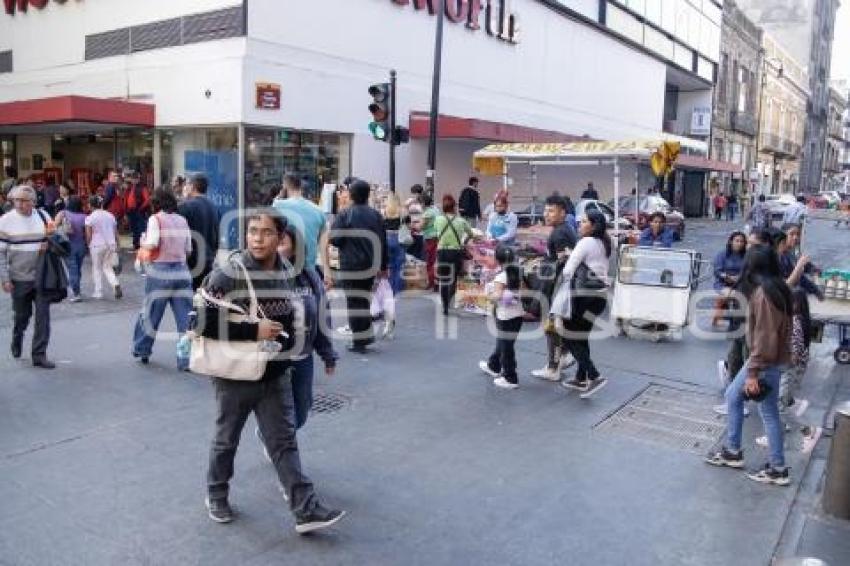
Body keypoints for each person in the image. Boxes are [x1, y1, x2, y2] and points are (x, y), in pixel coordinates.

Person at [198, 209, 345, 532]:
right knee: (226, 441)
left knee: (284, 442)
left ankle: (304, 509)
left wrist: (297, 344)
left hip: (276, 373)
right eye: (252, 232)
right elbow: (200, 322)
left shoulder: (287, 273)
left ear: (281, 238)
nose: (257, 238)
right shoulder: (230, 273)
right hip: (235, 376)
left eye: (265, 232)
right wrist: (254, 332)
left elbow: (293, 318)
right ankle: (216, 494)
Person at [706, 244, 793, 486]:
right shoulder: (780, 288)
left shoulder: (763, 294)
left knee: (743, 400)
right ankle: (773, 465)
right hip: (773, 360)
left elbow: (763, 337)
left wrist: (753, 373)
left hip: (762, 361)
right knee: (756, 406)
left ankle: (743, 455)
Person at [131, 189, 193, 368]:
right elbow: (189, 249)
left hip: (160, 271)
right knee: (185, 318)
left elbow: (153, 243)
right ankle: (185, 359)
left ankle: (142, 349)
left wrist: (142, 244)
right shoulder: (182, 220)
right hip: (182, 271)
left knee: (150, 313)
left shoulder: (155, 219)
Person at [556, 210, 611, 398]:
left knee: (569, 335)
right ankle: (581, 378)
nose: (579, 224)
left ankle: (594, 375)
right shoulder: (604, 242)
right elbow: (593, 262)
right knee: (581, 336)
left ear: (593, 225)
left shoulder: (586, 242)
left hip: (584, 297)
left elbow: (568, 271)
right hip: (599, 297)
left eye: (584, 221)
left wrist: (567, 259)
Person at [0, 185, 55, 368]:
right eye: (17, 200)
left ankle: (39, 355)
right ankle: (18, 335)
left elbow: (57, 238)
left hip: (42, 277)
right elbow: (0, 253)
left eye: (24, 200)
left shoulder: (44, 216)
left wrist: (50, 243)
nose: (20, 204)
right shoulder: (5, 221)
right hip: (19, 278)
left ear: (33, 201)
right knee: (22, 316)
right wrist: (5, 278)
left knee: (43, 317)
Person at [330, 179, 387, 353]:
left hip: (351, 265)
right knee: (363, 300)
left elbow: (335, 239)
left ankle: (360, 341)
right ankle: (364, 336)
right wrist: (384, 265)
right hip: (370, 264)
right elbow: (382, 242)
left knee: (354, 302)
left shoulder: (345, 214)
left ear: (352, 195)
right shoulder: (376, 215)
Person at [531, 194, 577, 381]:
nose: (547, 214)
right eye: (546, 210)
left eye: (551, 210)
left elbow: (563, 265)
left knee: (551, 327)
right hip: (562, 286)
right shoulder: (564, 229)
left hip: (558, 287)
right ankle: (563, 357)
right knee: (556, 327)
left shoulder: (560, 233)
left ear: (563, 212)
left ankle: (553, 368)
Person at [478, 245, 525, 389]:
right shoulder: (518, 272)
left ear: (498, 260)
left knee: (506, 347)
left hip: (505, 316)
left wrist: (487, 296)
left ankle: (510, 378)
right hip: (518, 314)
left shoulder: (501, 276)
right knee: (504, 343)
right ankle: (494, 365)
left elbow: (497, 295)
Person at [272, 174, 328, 280]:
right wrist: (327, 273)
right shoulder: (318, 211)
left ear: (284, 187)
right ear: (301, 188)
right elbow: (324, 244)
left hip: (284, 270)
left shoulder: (277, 206)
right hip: (309, 272)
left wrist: (279, 196)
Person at [177, 173, 220, 290]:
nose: (184, 187)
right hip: (209, 259)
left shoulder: (185, 206)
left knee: (189, 299)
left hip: (191, 261)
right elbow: (217, 234)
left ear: (192, 186)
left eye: (186, 184)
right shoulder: (214, 206)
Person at [434, 194, 473, 316]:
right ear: (454, 207)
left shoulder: (438, 220)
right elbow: (471, 234)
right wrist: (463, 242)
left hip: (442, 252)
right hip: (456, 252)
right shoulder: (461, 221)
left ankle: (444, 305)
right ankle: (450, 300)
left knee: (443, 280)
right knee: (453, 279)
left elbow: (436, 233)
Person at [85, 195, 121, 300]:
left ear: (91, 205)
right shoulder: (110, 215)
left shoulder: (90, 217)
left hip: (96, 244)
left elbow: (88, 234)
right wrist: (118, 244)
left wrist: (88, 244)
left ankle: (98, 291)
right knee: (107, 267)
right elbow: (115, 232)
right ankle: (115, 284)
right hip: (110, 244)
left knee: (96, 268)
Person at [55, 196, 88, 302]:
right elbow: (87, 234)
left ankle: (76, 293)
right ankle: (76, 289)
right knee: (77, 269)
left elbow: (53, 227)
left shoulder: (63, 213)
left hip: (67, 245)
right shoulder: (84, 216)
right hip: (81, 246)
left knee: (72, 269)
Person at [711, 231, 746, 328]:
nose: (739, 243)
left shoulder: (746, 256)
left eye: (741, 241)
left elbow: (748, 270)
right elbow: (717, 271)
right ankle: (720, 313)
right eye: (737, 241)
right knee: (729, 294)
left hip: (740, 283)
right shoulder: (722, 254)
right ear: (731, 241)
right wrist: (727, 277)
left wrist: (739, 278)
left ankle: (736, 318)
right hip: (723, 283)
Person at [382, 192, 405, 296]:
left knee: (390, 266)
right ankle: (397, 290)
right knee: (399, 266)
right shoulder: (402, 211)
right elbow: (407, 224)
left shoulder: (384, 211)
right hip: (398, 238)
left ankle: (390, 289)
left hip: (387, 238)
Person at [125, 172, 151, 250]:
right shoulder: (129, 188)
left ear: (138, 179)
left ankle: (140, 246)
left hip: (139, 211)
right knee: (134, 229)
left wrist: (140, 209)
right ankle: (135, 245)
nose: (134, 180)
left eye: (136, 179)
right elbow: (126, 199)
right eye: (133, 179)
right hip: (131, 211)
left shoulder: (143, 187)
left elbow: (147, 200)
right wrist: (126, 210)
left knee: (140, 229)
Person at [420, 193, 440, 290]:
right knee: (435, 261)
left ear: (423, 203)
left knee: (430, 262)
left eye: (420, 203)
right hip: (437, 237)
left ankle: (431, 283)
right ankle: (436, 282)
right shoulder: (435, 209)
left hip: (430, 238)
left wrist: (413, 226)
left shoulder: (427, 213)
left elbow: (421, 226)